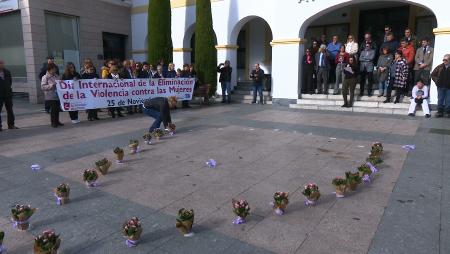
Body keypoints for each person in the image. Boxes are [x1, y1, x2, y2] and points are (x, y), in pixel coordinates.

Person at [41, 63, 62, 128]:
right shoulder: (45, 77)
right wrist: (51, 85)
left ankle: (57, 121)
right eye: (53, 69)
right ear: (49, 69)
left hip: (57, 95)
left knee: (57, 109)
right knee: (53, 110)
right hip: (50, 96)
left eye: (55, 69)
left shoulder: (57, 76)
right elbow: (43, 87)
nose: (54, 70)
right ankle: (53, 122)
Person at [0, 60, 18, 131]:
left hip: (7, 94)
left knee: (10, 110)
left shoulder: (7, 72)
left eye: (2, 63)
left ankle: (11, 125)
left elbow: (10, 82)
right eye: (0, 64)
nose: (2, 65)